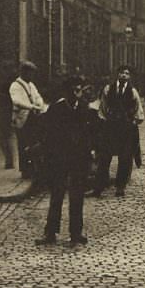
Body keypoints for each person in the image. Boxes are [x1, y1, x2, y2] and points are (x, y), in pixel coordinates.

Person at [36, 75, 99, 247]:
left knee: (77, 195)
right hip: (59, 158)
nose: (77, 93)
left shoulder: (85, 109)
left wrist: (91, 152)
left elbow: (91, 133)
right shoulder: (56, 109)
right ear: (67, 92)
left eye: (79, 90)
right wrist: (48, 156)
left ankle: (76, 232)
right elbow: (47, 134)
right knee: (56, 194)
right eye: (74, 90)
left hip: (78, 158)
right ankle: (50, 232)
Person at [95, 65, 145, 196]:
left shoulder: (132, 91)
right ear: (117, 74)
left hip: (125, 127)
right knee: (104, 157)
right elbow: (103, 106)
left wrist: (134, 120)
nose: (124, 75)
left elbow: (137, 107)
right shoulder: (108, 89)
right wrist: (105, 119)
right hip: (111, 126)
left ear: (129, 77)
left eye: (127, 74)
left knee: (125, 157)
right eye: (122, 73)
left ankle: (120, 186)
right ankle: (99, 186)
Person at [9, 61, 47, 180]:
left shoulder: (31, 85)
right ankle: (25, 170)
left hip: (33, 117)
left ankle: (33, 168)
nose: (31, 76)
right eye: (30, 73)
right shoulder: (15, 86)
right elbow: (16, 101)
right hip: (22, 118)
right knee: (23, 143)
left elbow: (37, 96)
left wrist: (39, 104)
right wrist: (31, 106)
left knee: (33, 142)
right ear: (23, 72)